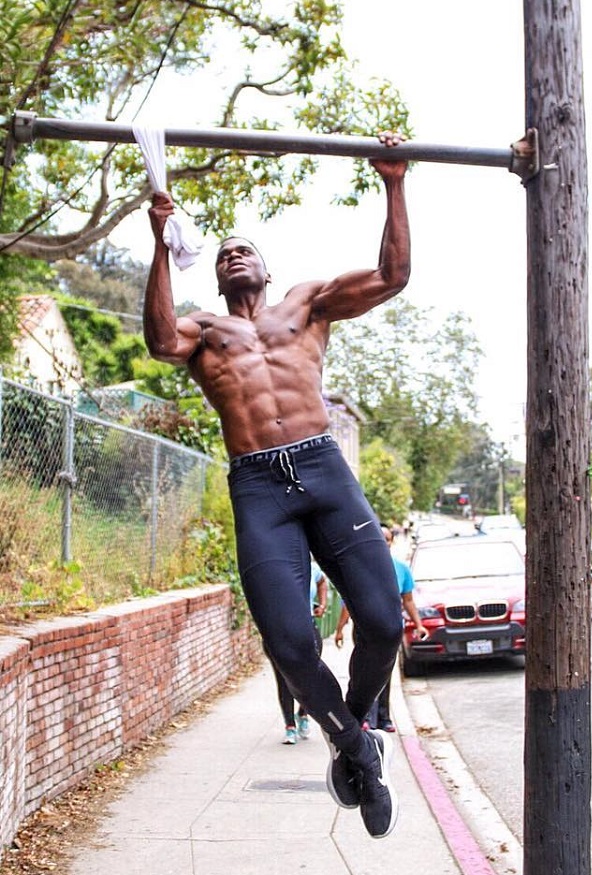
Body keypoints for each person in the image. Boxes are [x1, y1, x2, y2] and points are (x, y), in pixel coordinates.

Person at [143, 132, 409, 840]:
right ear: (214, 272)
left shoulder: (308, 304)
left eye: (245, 245)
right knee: (290, 644)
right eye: (222, 249)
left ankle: (353, 721)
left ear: (265, 263)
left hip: (323, 467)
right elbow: (159, 337)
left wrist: (393, 182)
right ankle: (356, 747)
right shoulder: (203, 330)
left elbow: (392, 275)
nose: (234, 252)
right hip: (259, 485)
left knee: (384, 622)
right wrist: (159, 245)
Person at [335, 525, 427, 732]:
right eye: (379, 538)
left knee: (385, 673)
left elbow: (409, 601)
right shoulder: (359, 568)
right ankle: (364, 716)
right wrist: (340, 628)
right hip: (364, 629)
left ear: (391, 542)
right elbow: (348, 602)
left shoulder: (401, 568)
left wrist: (419, 625)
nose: (383, 543)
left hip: (390, 629)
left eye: (386, 539)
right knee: (363, 672)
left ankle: (384, 718)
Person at [268, 562, 327, 744]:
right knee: (283, 678)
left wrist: (322, 604)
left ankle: (303, 713)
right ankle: (290, 726)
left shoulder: (312, 568)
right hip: (281, 629)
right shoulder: (274, 569)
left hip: (307, 626)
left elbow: (322, 581)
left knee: (310, 676)